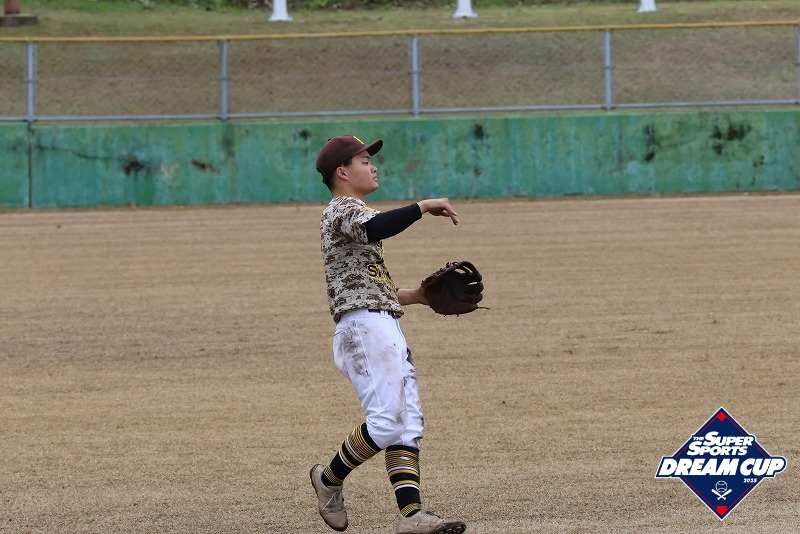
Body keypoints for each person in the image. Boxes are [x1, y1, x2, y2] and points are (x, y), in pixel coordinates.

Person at [310, 134, 467, 534]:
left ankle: (411, 516)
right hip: (364, 329)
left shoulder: (355, 214)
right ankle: (328, 479)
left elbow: (366, 286)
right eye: (364, 161)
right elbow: (377, 227)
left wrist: (417, 296)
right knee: (385, 422)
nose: (373, 166)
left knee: (407, 423)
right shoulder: (342, 211)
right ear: (342, 172)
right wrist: (422, 206)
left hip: (380, 322)